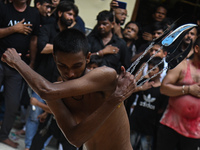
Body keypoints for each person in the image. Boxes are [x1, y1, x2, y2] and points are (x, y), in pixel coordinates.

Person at [1, 28, 136, 150]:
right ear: (54, 59)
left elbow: (46, 90)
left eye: (77, 66)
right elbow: (76, 139)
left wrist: (17, 63)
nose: (70, 73)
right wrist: (113, 101)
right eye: (63, 66)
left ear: (88, 57)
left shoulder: (105, 75)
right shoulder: (56, 93)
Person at [24, 1, 81, 150]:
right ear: (60, 13)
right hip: (42, 77)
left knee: (50, 116)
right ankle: (29, 146)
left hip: (59, 81)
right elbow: (42, 47)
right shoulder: (48, 29)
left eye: (73, 16)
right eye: (69, 14)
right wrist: (63, 46)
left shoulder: (70, 35)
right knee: (34, 115)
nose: (71, 18)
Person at [0, 0, 40, 148]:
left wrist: (31, 63)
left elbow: (34, 39)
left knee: (13, 104)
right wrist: (14, 29)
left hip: (17, 67)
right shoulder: (4, 8)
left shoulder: (33, 13)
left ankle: (3, 135)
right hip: (0, 61)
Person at [157, 36, 200, 150]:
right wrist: (188, 89)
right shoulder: (182, 65)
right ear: (197, 49)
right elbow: (163, 88)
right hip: (170, 126)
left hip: (195, 132)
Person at [129, 57, 169, 150]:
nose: (150, 72)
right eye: (149, 68)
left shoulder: (162, 90)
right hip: (135, 122)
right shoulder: (144, 83)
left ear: (161, 71)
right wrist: (140, 88)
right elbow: (128, 92)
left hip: (149, 127)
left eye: (154, 69)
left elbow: (161, 110)